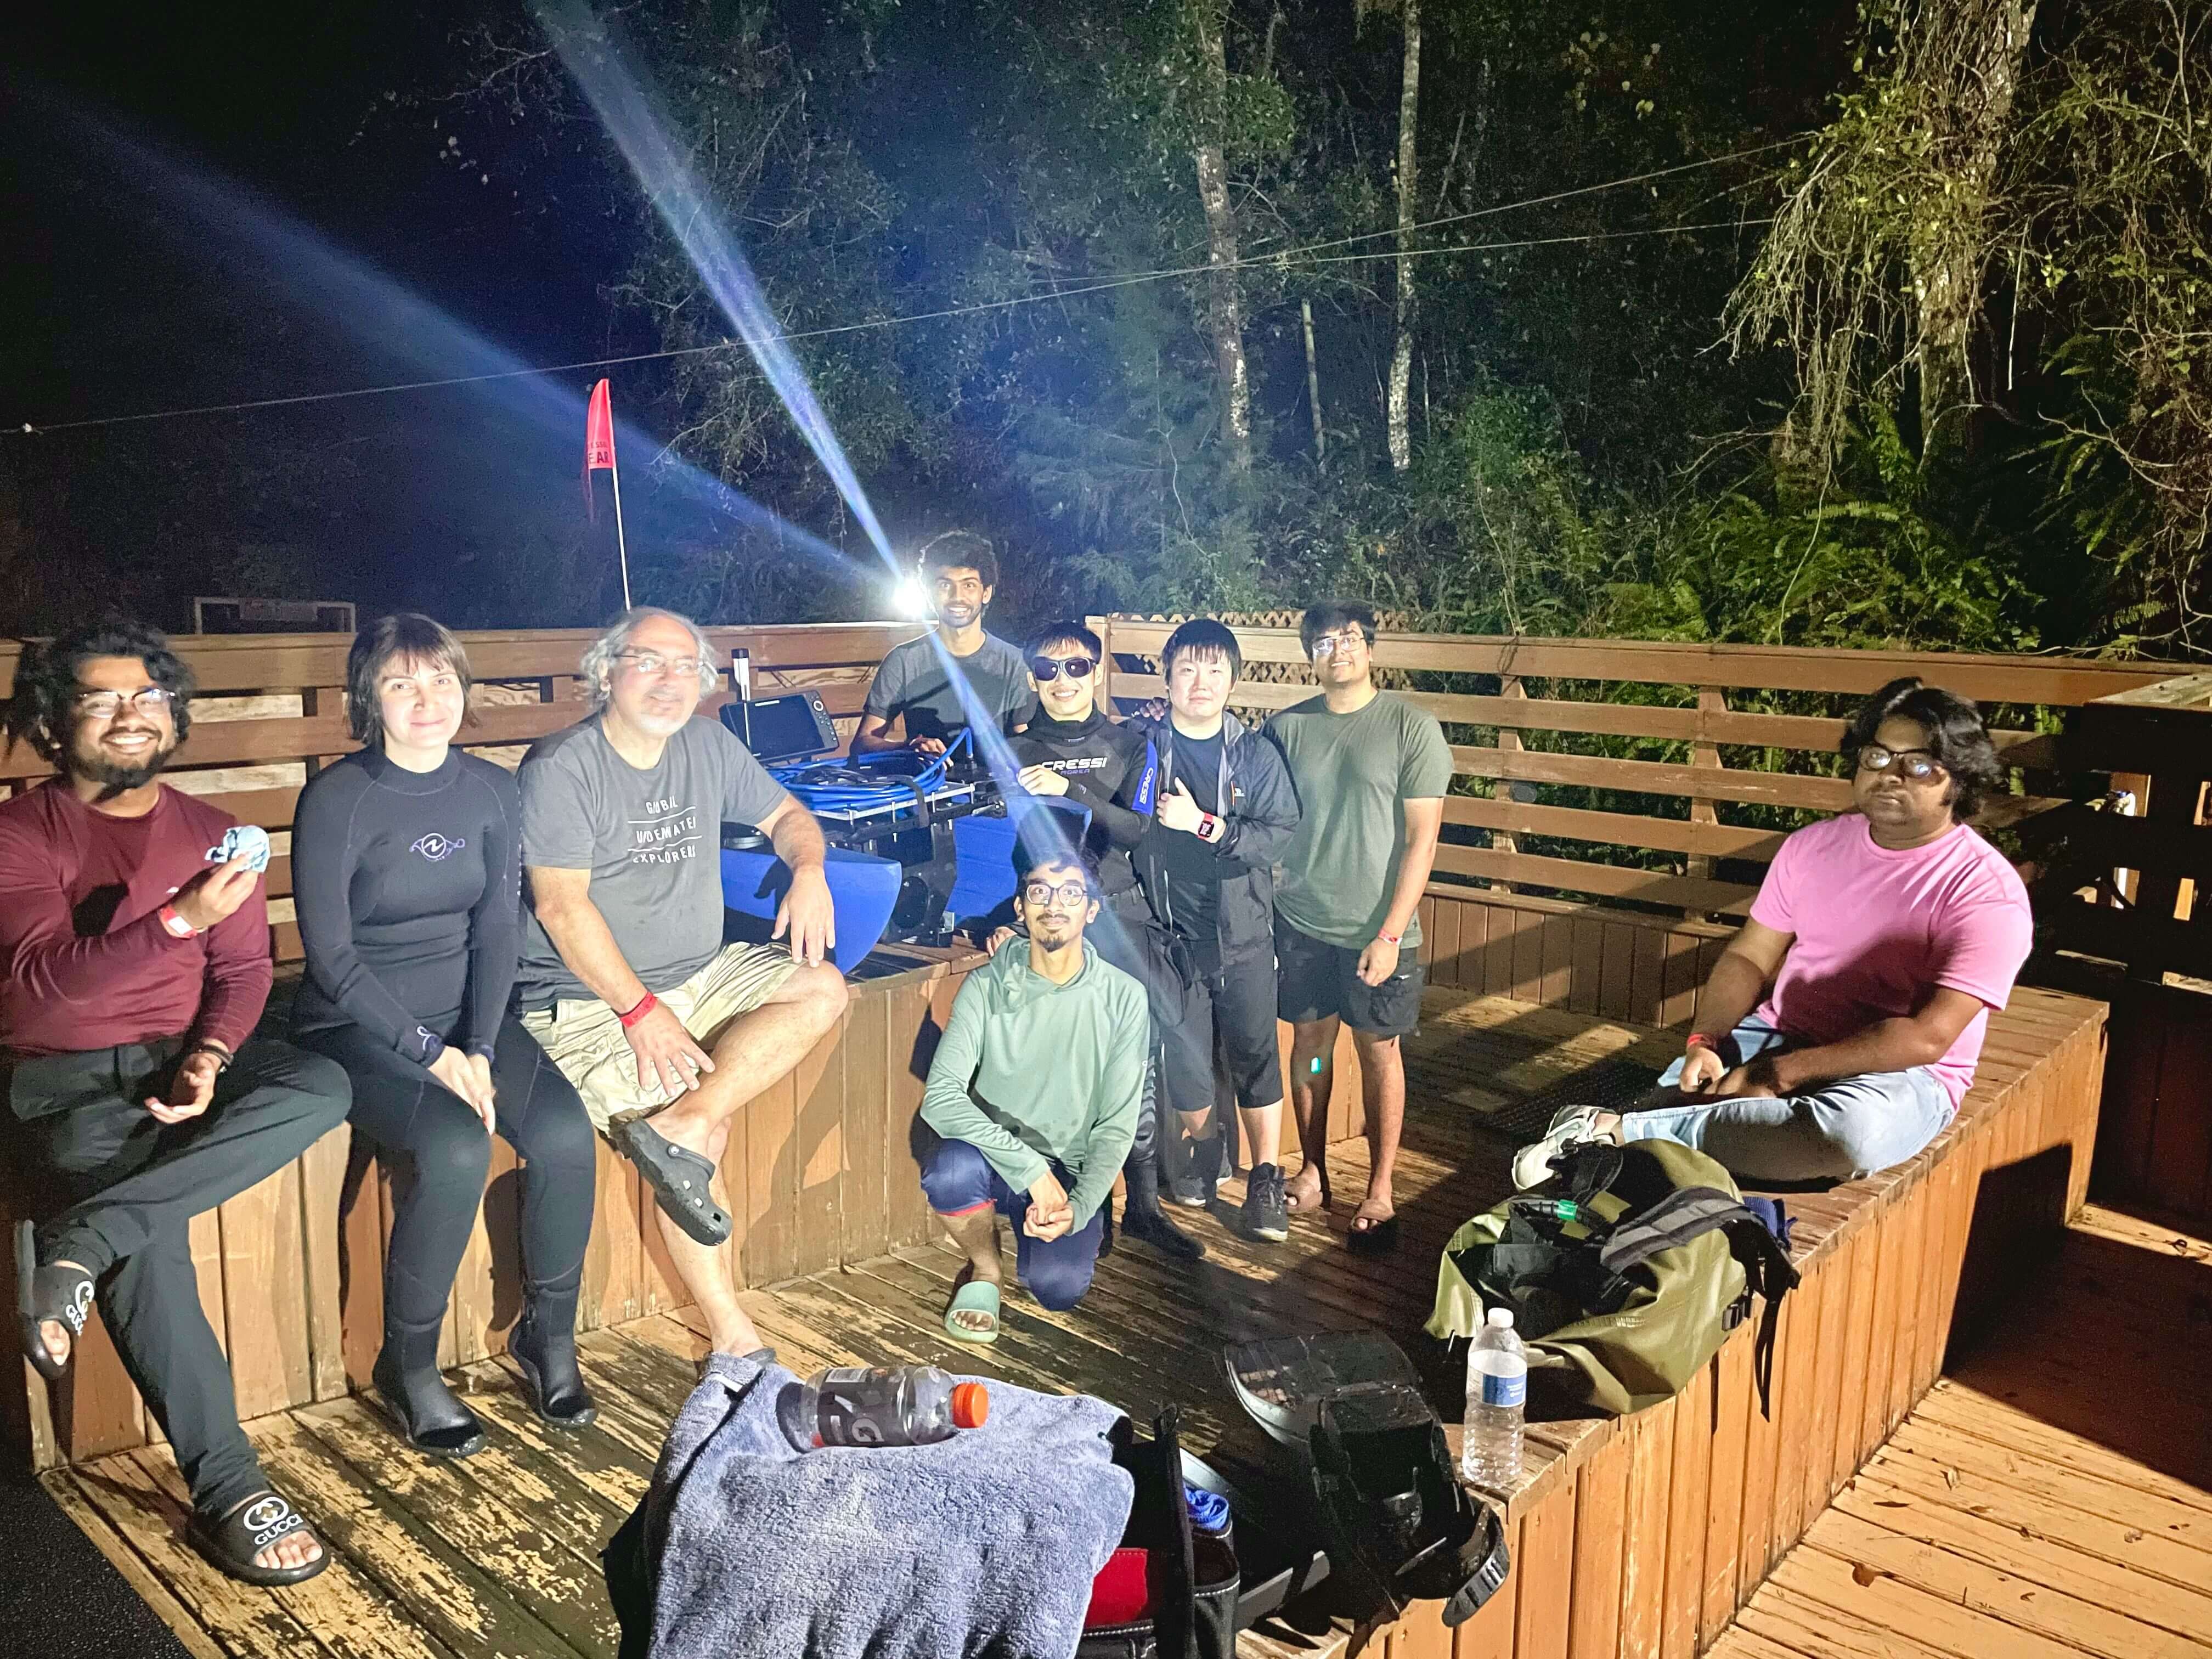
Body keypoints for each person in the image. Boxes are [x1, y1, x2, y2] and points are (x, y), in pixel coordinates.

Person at [2, 618, 348, 1586]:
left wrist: (210, 1052)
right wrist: (177, 920)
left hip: (174, 1063)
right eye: (102, 697)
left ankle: (82, 1240)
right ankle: (229, 1487)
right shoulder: (20, 834)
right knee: (149, 1247)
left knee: (320, 1083)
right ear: (55, 721)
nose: (131, 713)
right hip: (63, 1080)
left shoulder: (208, 830)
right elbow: (37, 994)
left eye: (149, 695)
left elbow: (243, 972)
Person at [1513, 677, 2034, 1187]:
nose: (1890, 776)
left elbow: (1928, 1037)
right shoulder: (1811, 848)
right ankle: (1649, 1135)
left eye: (1918, 765)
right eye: (1877, 757)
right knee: (1686, 1091)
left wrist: (1778, 1075)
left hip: (1902, 1072)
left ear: (1959, 780)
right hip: (1782, 1032)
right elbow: (1750, 956)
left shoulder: (1986, 892)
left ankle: (1617, 1135)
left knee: (1849, 1137)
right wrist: (1705, 1041)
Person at [291, 616, 600, 1458]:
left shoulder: (492, 790)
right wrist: (432, 1055)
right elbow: (331, 959)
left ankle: (548, 1338)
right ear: (370, 698)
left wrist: (483, 1047)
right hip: (357, 1023)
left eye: (441, 681)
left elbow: (499, 928)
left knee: (565, 1135)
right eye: (402, 684)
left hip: (468, 1021)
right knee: (458, 1146)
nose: (426, 701)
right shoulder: (337, 799)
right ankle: (409, 1366)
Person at [516, 607, 849, 1360]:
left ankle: (683, 1126)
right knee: (707, 1136)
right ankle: (732, 1334)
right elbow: (560, 907)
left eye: (685, 667)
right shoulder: (562, 768)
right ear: (607, 672)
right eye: (647, 661)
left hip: (701, 973)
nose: (670, 680)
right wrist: (640, 1011)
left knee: (821, 987)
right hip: (590, 1001)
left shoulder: (706, 742)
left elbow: (789, 814)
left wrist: (809, 869)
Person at [994, 621, 1200, 1261]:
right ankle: (1091, 1210)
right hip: (1049, 922)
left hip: (1118, 914)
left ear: (1096, 671)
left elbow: (1136, 829)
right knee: (1065, 1066)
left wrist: (1069, 790)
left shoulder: (1131, 744)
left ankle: (1144, 1207)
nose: (1063, 681)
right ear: (1033, 678)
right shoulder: (1011, 749)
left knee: (1136, 1067)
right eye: (1048, 669)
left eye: (1077, 667)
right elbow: (993, 845)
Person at [1267, 601, 1453, 1252]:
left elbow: (1423, 840)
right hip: (1302, 922)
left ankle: (1380, 1187)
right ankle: (1313, 1168)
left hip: (1380, 933)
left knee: (1379, 1053)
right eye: (1323, 641)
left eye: (1349, 637)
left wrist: (1390, 934)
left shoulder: (1410, 727)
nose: (1337, 648)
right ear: (1309, 658)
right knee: (1312, 1047)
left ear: (1370, 648)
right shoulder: (1286, 730)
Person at [921, 844, 1146, 1341]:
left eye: (1071, 893)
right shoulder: (985, 986)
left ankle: (1083, 1228)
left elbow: (1116, 1127)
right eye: (1040, 891)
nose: (1055, 904)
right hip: (994, 1157)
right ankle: (986, 1270)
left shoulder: (1125, 997)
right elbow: (940, 1098)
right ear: (1020, 908)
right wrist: (1031, 1171)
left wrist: (1080, 1205)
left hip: (1068, 1169)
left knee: (1057, 1289)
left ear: (1092, 910)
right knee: (949, 1171)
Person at [1127, 619, 1300, 1243]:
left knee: (1256, 1057)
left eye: (1215, 670)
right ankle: (1207, 1147)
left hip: (1243, 934)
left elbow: (1278, 834)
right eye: (1188, 670)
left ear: (1233, 680)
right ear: (1167, 677)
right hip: (1168, 934)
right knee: (1185, 1061)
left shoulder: (1255, 755)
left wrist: (1204, 825)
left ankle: (1266, 1180)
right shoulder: (1142, 746)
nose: (1201, 683)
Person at [853, 531, 1036, 755]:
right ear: (928, 592)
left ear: (986, 593)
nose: (957, 597)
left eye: (969, 585)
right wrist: (909, 748)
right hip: (928, 776)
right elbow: (863, 743)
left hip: (994, 778)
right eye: (944, 585)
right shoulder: (904, 661)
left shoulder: (1015, 663)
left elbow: (1028, 744)